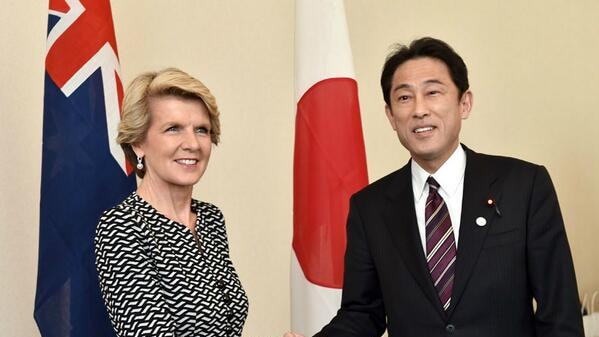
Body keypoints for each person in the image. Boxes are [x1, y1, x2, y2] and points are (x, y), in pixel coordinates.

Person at [285, 37, 584, 337]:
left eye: (432, 92)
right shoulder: (370, 208)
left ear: (464, 103)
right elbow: (363, 314)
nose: (419, 110)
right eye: (404, 98)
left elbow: (560, 315)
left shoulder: (524, 186)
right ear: (390, 116)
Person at [94, 68, 248, 337]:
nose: (192, 143)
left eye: (201, 130)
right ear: (138, 143)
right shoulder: (121, 228)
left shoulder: (211, 218)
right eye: (173, 129)